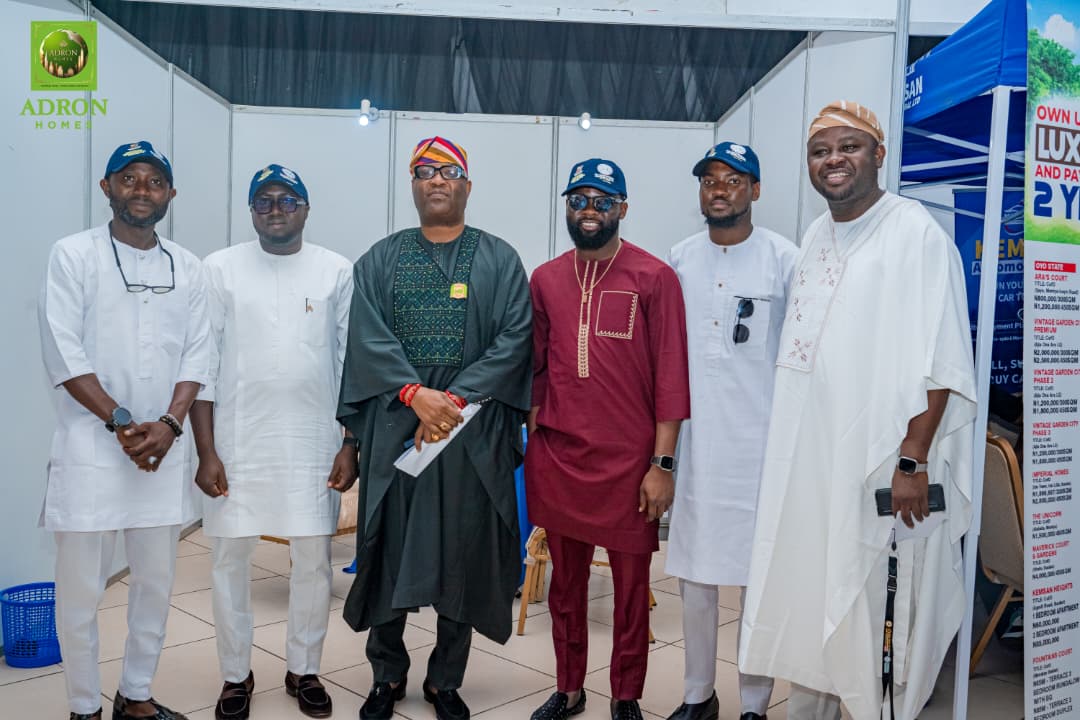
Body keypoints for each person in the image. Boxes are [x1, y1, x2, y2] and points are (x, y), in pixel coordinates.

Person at [739, 101, 977, 720]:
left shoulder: (915, 232)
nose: (834, 161)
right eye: (820, 152)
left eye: (848, 147)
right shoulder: (817, 234)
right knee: (816, 591)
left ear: (878, 154)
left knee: (875, 608)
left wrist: (911, 460)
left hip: (882, 466)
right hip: (813, 461)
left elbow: (942, 357)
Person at [337, 136, 532, 720]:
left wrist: (451, 401)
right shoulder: (381, 258)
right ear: (414, 186)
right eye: (425, 172)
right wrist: (415, 395)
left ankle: (446, 680)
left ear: (467, 186)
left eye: (449, 172)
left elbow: (516, 338)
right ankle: (386, 674)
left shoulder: (499, 258)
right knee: (388, 551)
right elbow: (366, 337)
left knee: (462, 559)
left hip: (470, 437)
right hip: (397, 432)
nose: (437, 181)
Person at [39, 141, 212, 720]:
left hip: (160, 453)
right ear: (106, 187)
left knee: (156, 584)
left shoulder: (187, 266)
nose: (142, 189)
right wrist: (119, 421)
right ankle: (83, 705)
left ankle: (134, 695)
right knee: (83, 591)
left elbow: (199, 352)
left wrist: (168, 423)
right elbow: (63, 351)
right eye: (129, 178)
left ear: (171, 194)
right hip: (92, 447)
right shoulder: (73, 255)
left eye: (155, 180)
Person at [526, 159, 691, 720]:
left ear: (622, 208)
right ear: (567, 206)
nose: (588, 210)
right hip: (560, 458)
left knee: (629, 596)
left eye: (601, 200)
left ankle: (626, 696)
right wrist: (533, 440)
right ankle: (569, 688)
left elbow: (671, 375)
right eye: (579, 199)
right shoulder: (546, 278)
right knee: (565, 591)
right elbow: (536, 371)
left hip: (629, 468)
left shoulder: (654, 277)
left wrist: (662, 463)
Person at [190, 164, 355, 720]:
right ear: (252, 211)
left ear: (306, 208)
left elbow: (348, 363)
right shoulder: (220, 269)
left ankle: (304, 668)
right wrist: (206, 450)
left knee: (313, 559)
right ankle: (236, 674)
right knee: (228, 560)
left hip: (314, 440)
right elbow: (202, 362)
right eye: (264, 201)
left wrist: (349, 442)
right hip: (237, 441)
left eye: (288, 199)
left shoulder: (335, 269)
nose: (276, 208)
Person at [664, 143, 796, 720]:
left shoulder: (784, 260)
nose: (720, 189)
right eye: (710, 180)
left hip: (761, 445)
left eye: (734, 180)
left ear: (756, 191)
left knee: (756, 580)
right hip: (695, 444)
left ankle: (753, 703)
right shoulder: (679, 259)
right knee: (695, 575)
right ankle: (698, 694)